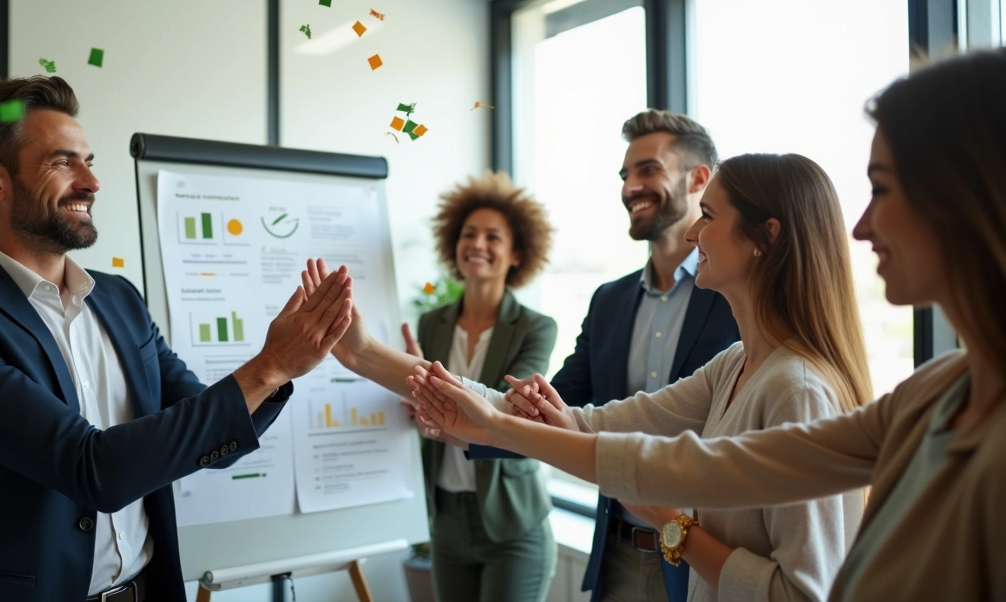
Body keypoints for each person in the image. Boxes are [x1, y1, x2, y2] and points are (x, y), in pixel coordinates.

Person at [411, 49, 1006, 601]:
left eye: (882, 188)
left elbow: (732, 507)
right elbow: (703, 462)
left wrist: (668, 523)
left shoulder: (800, 384)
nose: (861, 227)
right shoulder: (937, 390)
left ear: (968, 194)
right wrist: (369, 357)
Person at [0, 76, 354, 602]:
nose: (91, 181)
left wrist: (279, 372)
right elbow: (93, 469)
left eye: (89, 161)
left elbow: (208, 437)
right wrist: (269, 366)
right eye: (62, 162)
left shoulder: (120, 300)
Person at [456, 110, 741, 602]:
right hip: (619, 555)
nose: (631, 186)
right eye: (625, 175)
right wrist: (462, 413)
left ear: (699, 178)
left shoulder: (737, 295)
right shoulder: (609, 301)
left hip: (707, 561)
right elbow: (558, 410)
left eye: (648, 170)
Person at [400, 172, 558, 602]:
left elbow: (511, 409)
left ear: (517, 253)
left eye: (493, 237)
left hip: (512, 521)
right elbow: (425, 409)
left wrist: (430, 391)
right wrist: (415, 399)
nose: (477, 244)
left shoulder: (535, 327)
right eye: (469, 234)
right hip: (447, 519)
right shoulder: (432, 323)